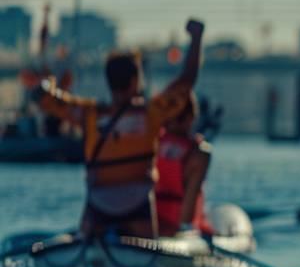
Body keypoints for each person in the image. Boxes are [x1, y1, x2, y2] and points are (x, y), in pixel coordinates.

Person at [32, 20, 205, 239]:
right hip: (138, 208)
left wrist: (46, 85)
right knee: (145, 253)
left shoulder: (89, 114)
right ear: (134, 81)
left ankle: (87, 257)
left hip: (98, 207)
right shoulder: (151, 113)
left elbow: (46, 99)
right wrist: (197, 38)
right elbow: (186, 81)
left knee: (86, 242)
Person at [155, 95, 213, 236]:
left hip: (146, 224)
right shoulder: (199, 153)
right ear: (191, 117)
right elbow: (186, 218)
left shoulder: (151, 142)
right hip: (178, 229)